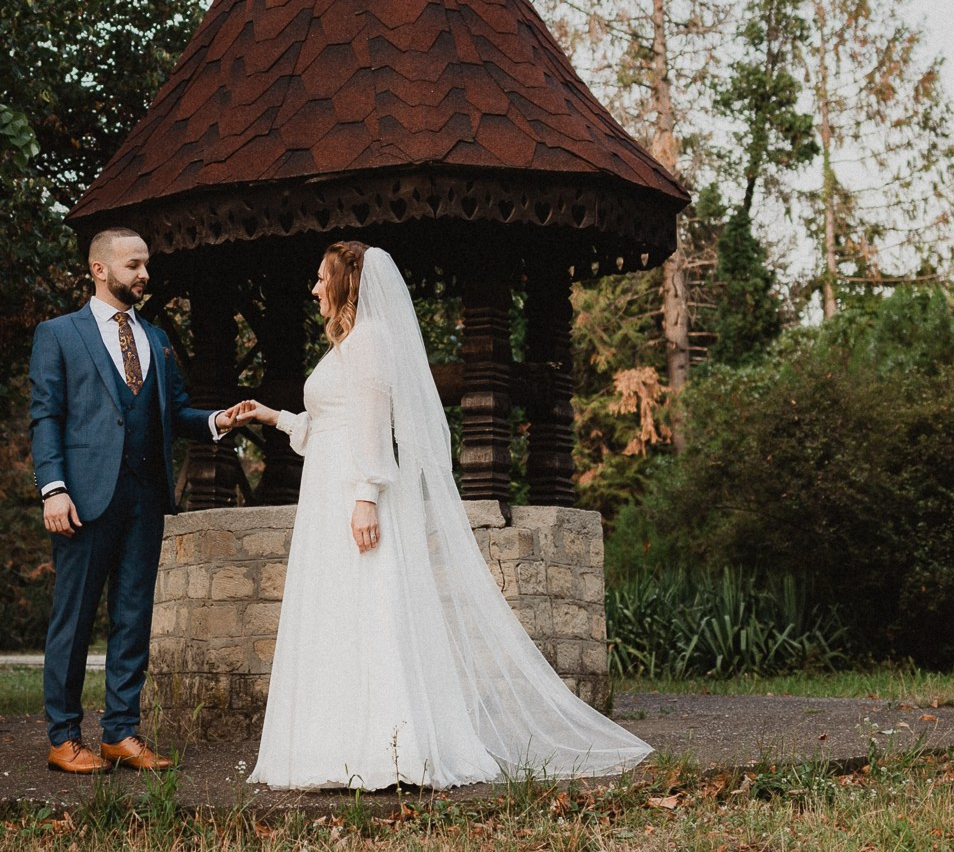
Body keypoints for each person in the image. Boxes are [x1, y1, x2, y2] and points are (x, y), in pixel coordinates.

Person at [227, 242, 653, 790]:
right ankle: (334, 745)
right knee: (338, 613)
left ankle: (389, 749)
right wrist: (273, 417)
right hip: (327, 494)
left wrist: (366, 496)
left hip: (353, 495)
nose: (314, 289)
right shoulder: (347, 345)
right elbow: (331, 428)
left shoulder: (371, 340)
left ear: (346, 282)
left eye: (320, 278)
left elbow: (372, 426)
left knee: (370, 609)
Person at [28, 226, 249, 774]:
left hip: (146, 498)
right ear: (100, 269)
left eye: (146, 264)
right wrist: (53, 489)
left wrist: (217, 421)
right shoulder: (58, 334)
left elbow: (175, 411)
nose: (144, 274)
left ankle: (120, 733)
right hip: (83, 499)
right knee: (74, 619)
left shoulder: (156, 339)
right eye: (133, 265)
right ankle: (63, 738)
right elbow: (46, 416)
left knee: (133, 618)